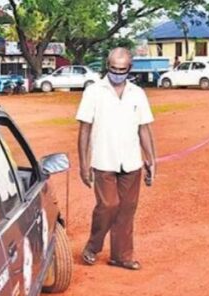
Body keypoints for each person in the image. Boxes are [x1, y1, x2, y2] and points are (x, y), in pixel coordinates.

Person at [75, 47, 157, 270]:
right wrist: (83, 164)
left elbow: (144, 129)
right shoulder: (94, 92)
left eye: (122, 69)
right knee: (109, 205)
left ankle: (121, 256)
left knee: (127, 209)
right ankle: (93, 246)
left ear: (129, 69)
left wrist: (151, 159)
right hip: (103, 160)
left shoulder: (137, 93)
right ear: (107, 66)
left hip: (131, 161)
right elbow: (84, 130)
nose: (117, 73)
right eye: (113, 68)